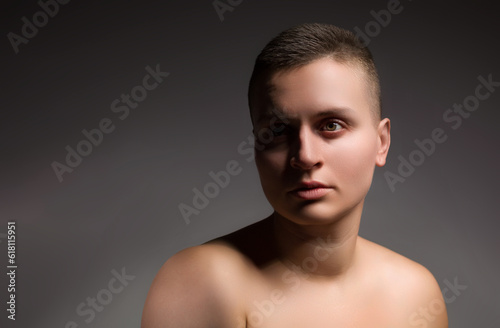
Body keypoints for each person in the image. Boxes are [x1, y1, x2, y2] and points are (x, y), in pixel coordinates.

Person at [141, 23, 448, 328]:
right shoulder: (203, 281)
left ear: (381, 143)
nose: (304, 156)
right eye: (277, 131)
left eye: (331, 125)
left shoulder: (415, 294)